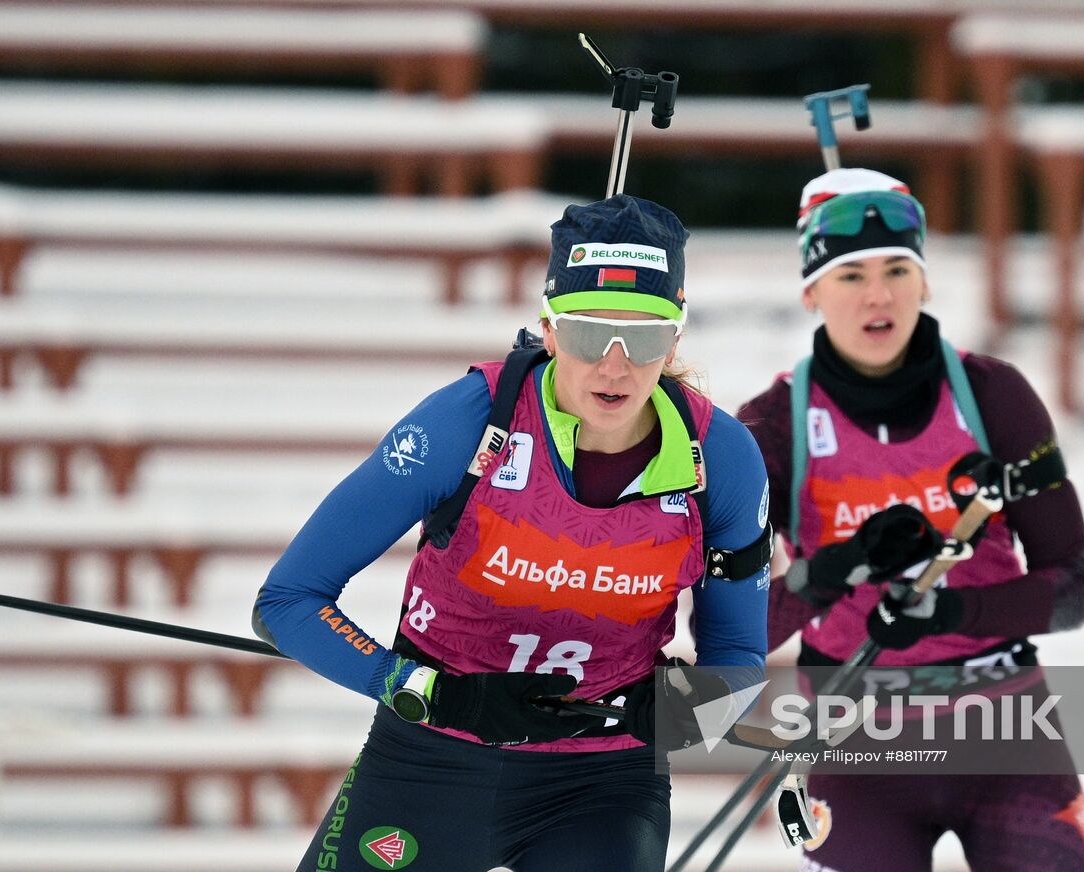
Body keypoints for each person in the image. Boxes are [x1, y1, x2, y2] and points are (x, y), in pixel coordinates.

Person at [253, 194, 772, 872]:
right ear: (549, 330)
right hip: (431, 761)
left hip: (601, 786)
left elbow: (738, 664)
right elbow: (288, 601)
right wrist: (433, 690)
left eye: (644, 337)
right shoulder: (467, 423)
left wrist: (666, 713)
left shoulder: (721, 459)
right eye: (588, 332)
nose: (614, 366)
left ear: (675, 341)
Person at [738, 168, 1084, 871]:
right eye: (850, 276)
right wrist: (833, 570)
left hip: (1005, 730)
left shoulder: (993, 395)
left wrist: (949, 612)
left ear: (925, 281)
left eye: (897, 269)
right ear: (811, 291)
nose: (878, 295)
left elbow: (1073, 589)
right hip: (854, 744)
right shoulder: (770, 430)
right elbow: (734, 632)